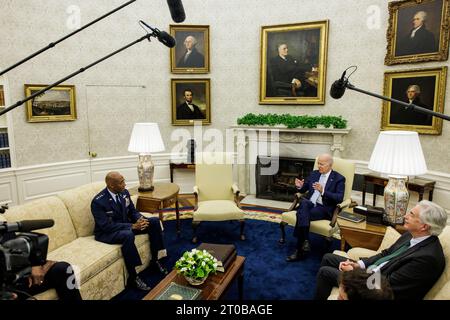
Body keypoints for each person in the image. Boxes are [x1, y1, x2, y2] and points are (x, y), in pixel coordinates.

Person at [315, 200, 447, 300]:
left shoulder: (427, 259)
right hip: (375, 273)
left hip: (379, 291)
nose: (406, 216)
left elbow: (388, 287)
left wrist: (356, 274)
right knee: (328, 257)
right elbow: (387, 253)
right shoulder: (411, 234)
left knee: (325, 273)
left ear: (424, 226)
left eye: (411, 215)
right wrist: (358, 265)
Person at [91, 171, 168, 291]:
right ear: (111, 185)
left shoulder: (124, 193)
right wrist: (132, 226)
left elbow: (132, 211)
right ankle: (133, 277)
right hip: (107, 233)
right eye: (121, 182)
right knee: (128, 235)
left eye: (124, 181)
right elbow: (106, 226)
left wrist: (140, 219)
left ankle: (155, 261)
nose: (125, 184)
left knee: (153, 222)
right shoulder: (98, 202)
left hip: (127, 225)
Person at [286, 154, 345, 262]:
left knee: (301, 213)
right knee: (304, 204)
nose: (318, 166)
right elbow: (304, 189)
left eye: (321, 164)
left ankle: (299, 250)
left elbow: (339, 198)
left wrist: (323, 191)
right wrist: (300, 186)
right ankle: (306, 241)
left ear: (330, 165)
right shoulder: (314, 174)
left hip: (323, 207)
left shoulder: (339, 178)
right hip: (309, 204)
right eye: (318, 163)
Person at [0, 232, 82, 300]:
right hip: (7, 289)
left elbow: (21, 254)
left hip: (22, 278)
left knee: (63, 268)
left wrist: (36, 265)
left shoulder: (5, 229)